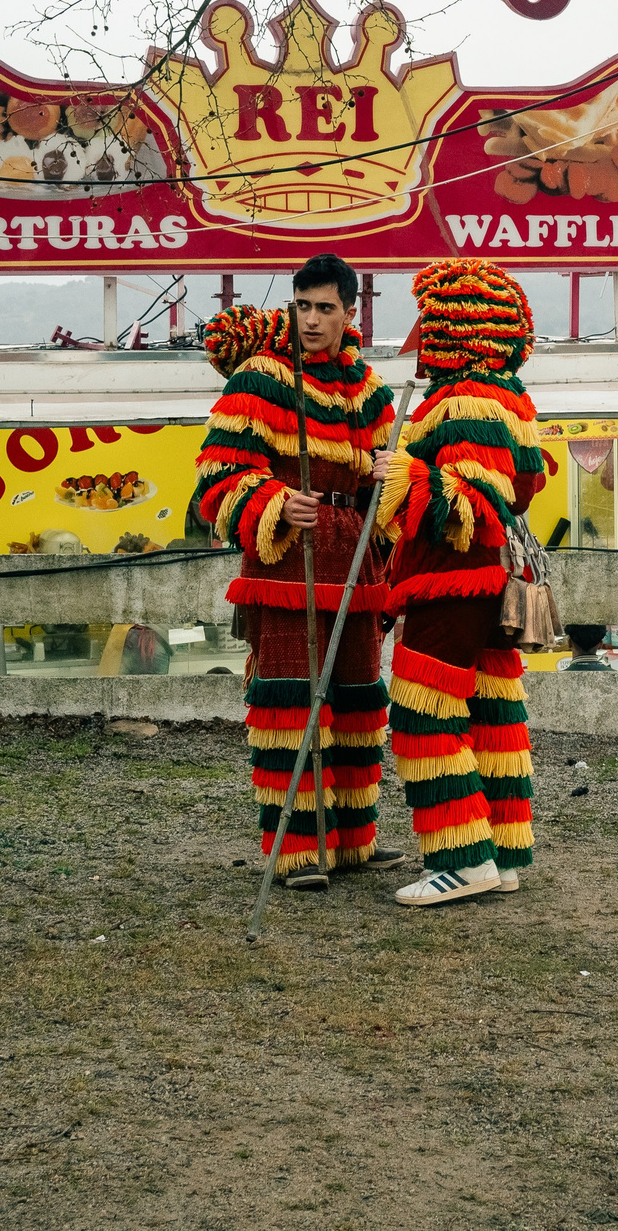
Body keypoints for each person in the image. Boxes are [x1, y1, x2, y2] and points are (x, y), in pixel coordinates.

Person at [192, 255, 399, 891]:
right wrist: (276, 501)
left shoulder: (373, 392)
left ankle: (354, 841)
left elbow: (387, 494)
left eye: (325, 308)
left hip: (356, 570)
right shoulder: (258, 381)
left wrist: (391, 481)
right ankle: (299, 848)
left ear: (350, 311)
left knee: (359, 706)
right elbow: (215, 477)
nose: (311, 320)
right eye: (302, 306)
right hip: (288, 568)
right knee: (291, 708)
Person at [375, 258, 549, 906]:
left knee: (423, 714)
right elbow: (523, 488)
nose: (416, 339)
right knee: (491, 714)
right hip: (490, 589)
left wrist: (401, 476)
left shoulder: (462, 401)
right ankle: (500, 854)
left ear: (453, 326)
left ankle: (460, 858)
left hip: (452, 586)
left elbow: (467, 507)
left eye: (429, 322)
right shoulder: (511, 400)